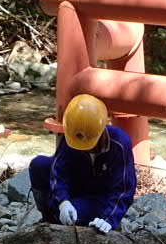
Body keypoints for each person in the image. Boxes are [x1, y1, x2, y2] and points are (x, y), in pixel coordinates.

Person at [29, 94, 137, 232]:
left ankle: (61, 218)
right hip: (75, 186)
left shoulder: (120, 143)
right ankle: (48, 218)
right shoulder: (72, 134)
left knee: (74, 216)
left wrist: (109, 219)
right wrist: (63, 201)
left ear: (101, 131)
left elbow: (124, 189)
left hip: (99, 198)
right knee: (39, 164)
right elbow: (58, 171)